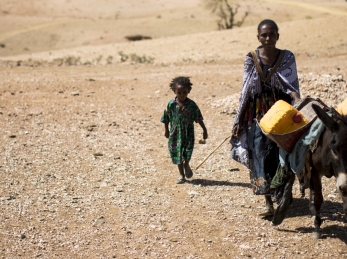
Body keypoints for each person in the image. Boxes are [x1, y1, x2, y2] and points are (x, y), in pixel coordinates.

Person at [230, 19, 301, 216]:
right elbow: (245, 90)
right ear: (258, 37)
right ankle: (267, 200)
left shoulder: (287, 57)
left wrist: (299, 104)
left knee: (283, 151)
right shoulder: (251, 58)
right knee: (259, 153)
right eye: (264, 35)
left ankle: (282, 191)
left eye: (272, 34)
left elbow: (292, 86)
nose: (268, 38)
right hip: (258, 113)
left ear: (278, 36)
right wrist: (239, 120)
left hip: (281, 109)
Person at [161, 76, 208, 184]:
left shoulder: (192, 105)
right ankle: (181, 175)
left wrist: (204, 130)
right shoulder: (171, 104)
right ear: (174, 91)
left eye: (184, 92)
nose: (182, 95)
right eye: (179, 92)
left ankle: (186, 164)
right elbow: (166, 117)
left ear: (189, 91)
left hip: (188, 133)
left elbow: (198, 118)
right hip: (175, 134)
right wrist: (166, 130)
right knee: (177, 154)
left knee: (187, 152)